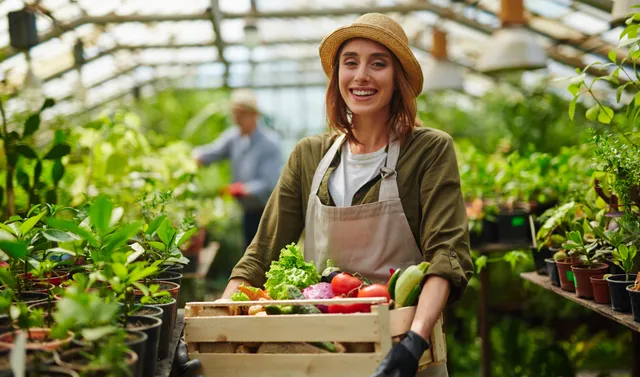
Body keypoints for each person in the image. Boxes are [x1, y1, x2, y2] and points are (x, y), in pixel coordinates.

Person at [219, 13, 474, 377]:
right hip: (320, 353)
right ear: (337, 74)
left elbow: (447, 256)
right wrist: (215, 320)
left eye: (378, 63)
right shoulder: (309, 155)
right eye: (350, 62)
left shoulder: (428, 151)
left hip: (403, 353)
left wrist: (415, 341)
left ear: (397, 78)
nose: (361, 75)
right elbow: (260, 254)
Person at [192, 89, 283, 247]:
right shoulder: (234, 138)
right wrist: (194, 156)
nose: (237, 119)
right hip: (248, 210)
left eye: (241, 114)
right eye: (234, 114)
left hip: (267, 212)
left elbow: (269, 182)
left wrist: (243, 189)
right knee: (249, 250)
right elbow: (213, 152)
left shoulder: (270, 143)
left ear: (254, 115)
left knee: (267, 253)